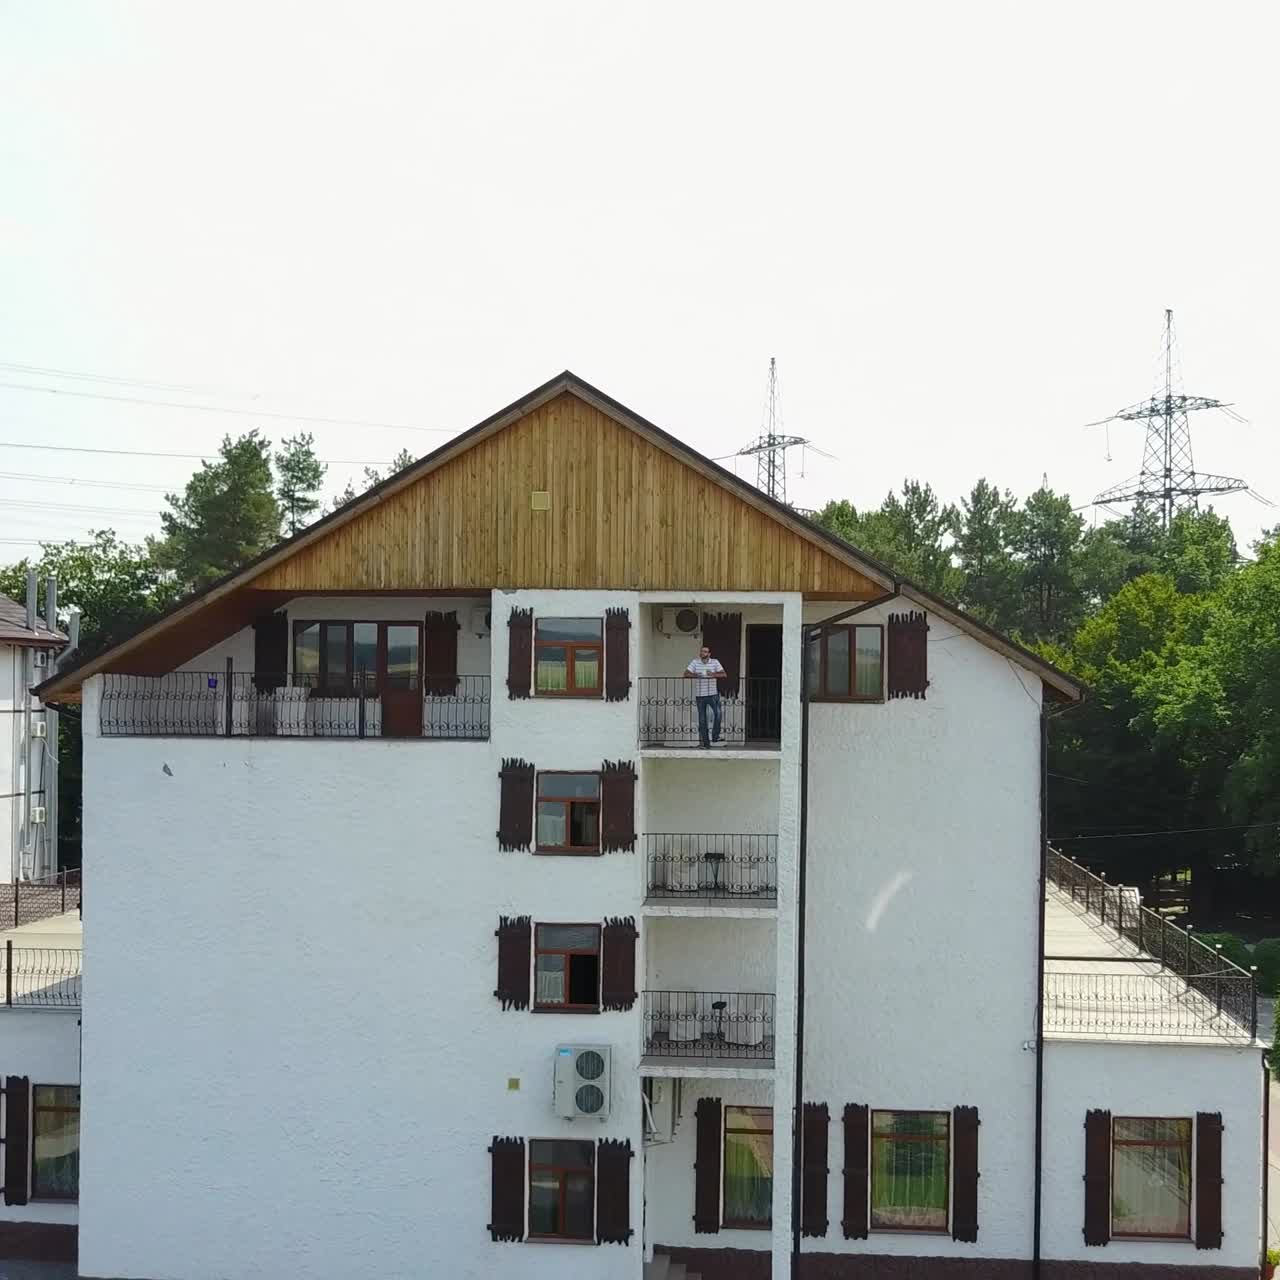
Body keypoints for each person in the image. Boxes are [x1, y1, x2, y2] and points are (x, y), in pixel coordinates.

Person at [684, 645, 727, 748]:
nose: (703, 653)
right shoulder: (695, 662)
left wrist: (713, 674)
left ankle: (715, 736)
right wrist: (696, 675)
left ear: (709, 654)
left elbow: (724, 674)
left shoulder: (715, 662)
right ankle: (706, 744)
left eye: (705, 651)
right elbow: (686, 674)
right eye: (702, 651)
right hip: (700, 695)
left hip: (713, 694)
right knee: (702, 720)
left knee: (718, 714)